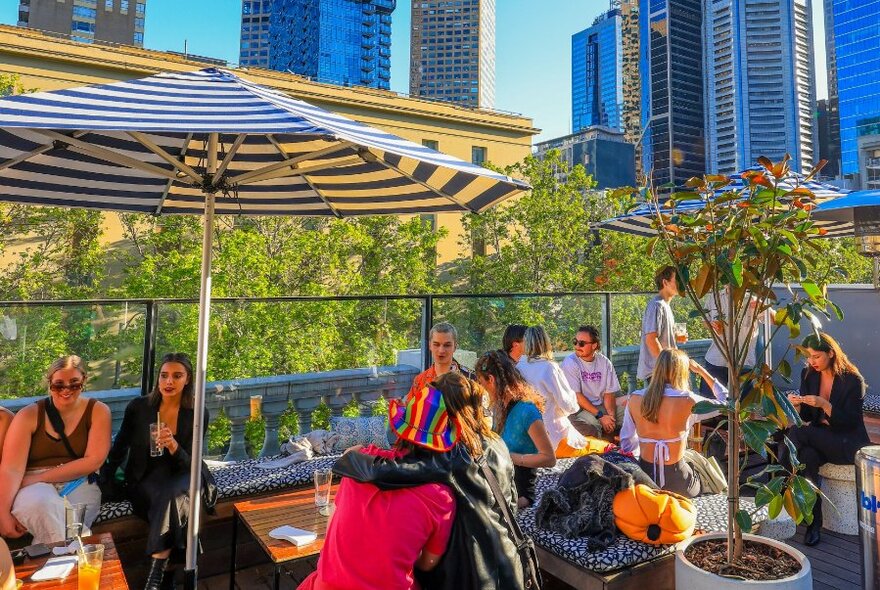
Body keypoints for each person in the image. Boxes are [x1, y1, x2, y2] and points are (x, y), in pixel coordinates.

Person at [333, 371, 526, 590]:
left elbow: (390, 471)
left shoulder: (450, 456)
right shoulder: (497, 443)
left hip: (472, 573)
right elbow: (511, 502)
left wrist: (352, 457)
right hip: (509, 562)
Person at [298, 385, 457, 590]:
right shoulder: (441, 497)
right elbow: (428, 564)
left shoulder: (357, 462)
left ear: (396, 429)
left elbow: (333, 525)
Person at [100, 352, 206, 590]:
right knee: (173, 500)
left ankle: (154, 577)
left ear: (187, 380)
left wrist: (174, 446)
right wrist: (106, 475)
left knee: (176, 494)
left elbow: (192, 463)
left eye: (177, 376)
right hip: (146, 474)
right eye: (164, 375)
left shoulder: (197, 413)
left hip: (183, 471)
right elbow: (120, 444)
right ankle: (168, 575)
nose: (169, 382)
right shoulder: (139, 407)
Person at [0, 355, 111, 544]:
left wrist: (39, 478)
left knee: (63, 523)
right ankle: (75, 560)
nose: (66, 390)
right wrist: (2, 513)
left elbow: (93, 460)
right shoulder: (29, 415)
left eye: (74, 384)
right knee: (42, 506)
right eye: (59, 385)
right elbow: (11, 468)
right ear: (49, 383)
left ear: (84, 381)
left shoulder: (98, 411)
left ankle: (55, 565)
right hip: (34, 487)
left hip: (77, 481)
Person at [783, 333, 868, 548]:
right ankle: (815, 522)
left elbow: (850, 422)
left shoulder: (851, 380)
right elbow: (807, 420)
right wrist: (798, 405)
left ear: (831, 353)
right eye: (809, 357)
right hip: (822, 438)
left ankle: (780, 480)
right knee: (806, 456)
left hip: (848, 442)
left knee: (796, 434)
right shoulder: (808, 375)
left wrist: (825, 404)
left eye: (816, 356)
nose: (812, 362)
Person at [620, 349, 727, 497]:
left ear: (657, 368)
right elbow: (726, 402)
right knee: (701, 464)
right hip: (679, 483)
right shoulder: (689, 400)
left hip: (644, 480)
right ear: (683, 372)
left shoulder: (635, 398)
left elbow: (627, 443)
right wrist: (701, 371)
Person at [475, 350, 555, 508]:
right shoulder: (497, 405)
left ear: (490, 380)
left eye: (480, 383)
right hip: (500, 478)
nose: (480, 388)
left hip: (519, 490)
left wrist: (508, 456)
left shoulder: (527, 410)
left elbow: (549, 458)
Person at [517, 326, 608, 458]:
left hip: (527, 439)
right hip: (554, 439)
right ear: (545, 343)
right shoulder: (549, 368)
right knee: (607, 447)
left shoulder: (518, 367)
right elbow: (569, 406)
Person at [561, 325, 625, 439]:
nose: (577, 346)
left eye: (581, 343)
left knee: (631, 413)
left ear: (594, 345)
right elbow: (577, 396)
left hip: (602, 405)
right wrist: (601, 416)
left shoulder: (604, 362)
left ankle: (628, 448)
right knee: (594, 424)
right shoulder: (570, 362)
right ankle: (603, 451)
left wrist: (611, 417)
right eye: (575, 342)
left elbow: (609, 393)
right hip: (582, 409)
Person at [637, 265, 679, 384]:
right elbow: (651, 340)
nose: (682, 284)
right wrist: (666, 368)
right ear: (665, 282)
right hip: (658, 373)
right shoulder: (657, 305)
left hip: (665, 371)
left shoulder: (665, 305)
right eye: (677, 280)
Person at [408, 323, 473, 398]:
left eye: (447, 345)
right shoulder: (420, 381)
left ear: (455, 347)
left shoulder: (469, 378)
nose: (441, 350)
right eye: (436, 344)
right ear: (430, 345)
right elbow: (410, 408)